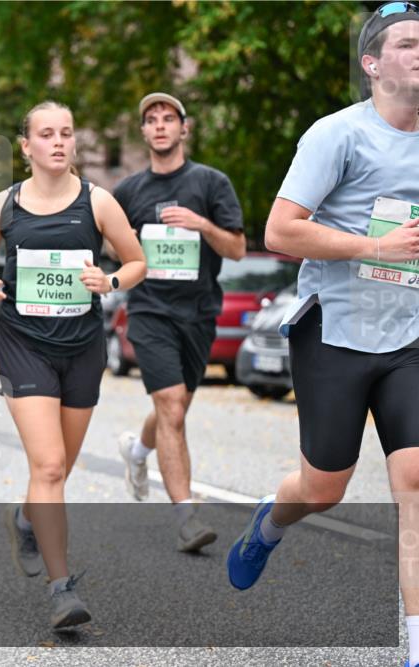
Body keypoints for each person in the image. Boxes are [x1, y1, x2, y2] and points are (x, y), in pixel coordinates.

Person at [226, 7, 418, 667]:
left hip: (411, 336)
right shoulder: (336, 135)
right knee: (323, 485)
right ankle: (268, 524)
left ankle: (415, 645)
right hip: (336, 330)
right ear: (373, 64)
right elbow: (280, 231)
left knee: (414, 478)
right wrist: (377, 245)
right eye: (408, 44)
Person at [0, 101, 146, 629]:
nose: (59, 142)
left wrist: (110, 282)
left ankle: (25, 519)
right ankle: (61, 589)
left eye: (66, 133)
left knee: (59, 468)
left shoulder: (100, 202)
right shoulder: (3, 206)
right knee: (47, 467)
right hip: (24, 341)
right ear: (27, 147)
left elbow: (136, 262)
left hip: (82, 345)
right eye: (47, 134)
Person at [112, 92, 246, 552]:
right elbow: (108, 246)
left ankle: (136, 451)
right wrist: (122, 245)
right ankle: (187, 517)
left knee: (177, 406)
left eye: (169, 118)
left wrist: (202, 225)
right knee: (170, 404)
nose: (161, 125)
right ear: (144, 133)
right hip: (149, 310)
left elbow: (237, 249)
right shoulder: (128, 192)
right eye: (151, 119)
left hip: (199, 312)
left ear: (183, 129)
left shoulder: (211, 183)